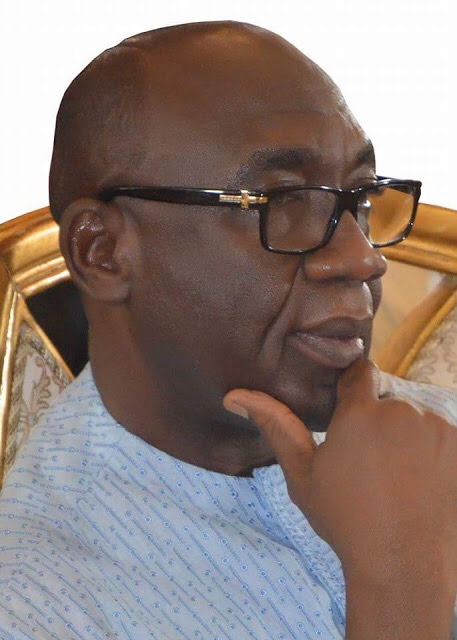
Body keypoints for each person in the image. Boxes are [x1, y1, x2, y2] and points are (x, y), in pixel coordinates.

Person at [0, 20, 456, 640]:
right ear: (102, 253)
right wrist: (400, 585)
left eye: (360, 199)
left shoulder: (435, 440)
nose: (363, 259)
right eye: (284, 203)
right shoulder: (39, 606)